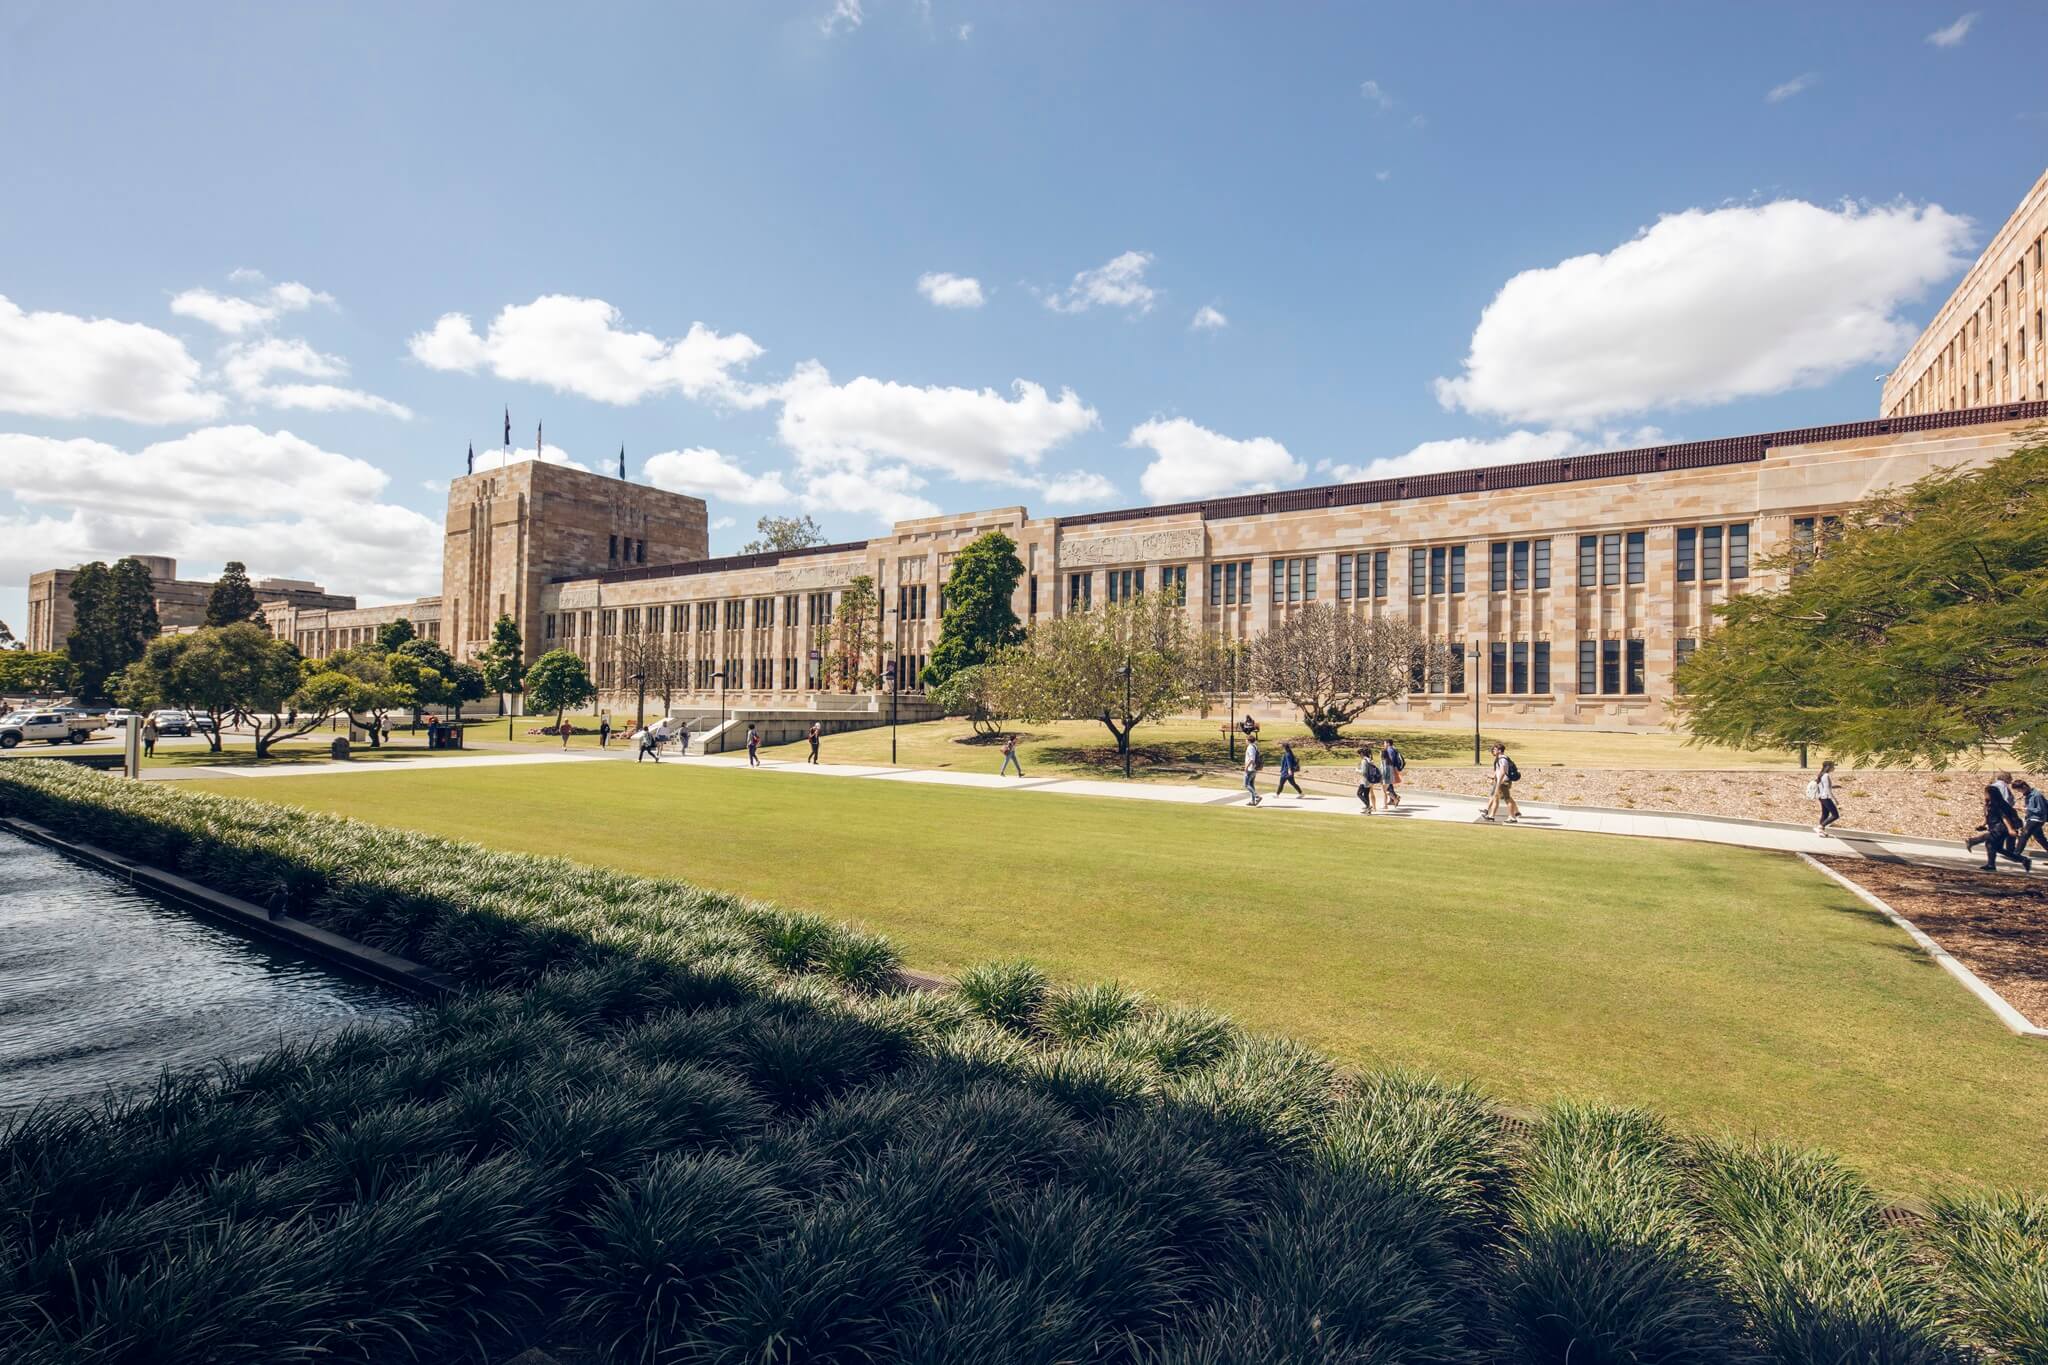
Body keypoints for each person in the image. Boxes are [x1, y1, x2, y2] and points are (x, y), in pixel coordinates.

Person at [1980, 773, 2031, 872]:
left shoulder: (1997, 802)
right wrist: (1983, 823)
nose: (1985, 795)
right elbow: (1988, 815)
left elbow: (2004, 816)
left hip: (2000, 827)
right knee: (1997, 847)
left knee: (1990, 843)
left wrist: (2010, 829)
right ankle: (2023, 860)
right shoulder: (1991, 802)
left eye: (1986, 793)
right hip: (1997, 826)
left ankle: (1991, 865)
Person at [1480, 742, 1520, 823]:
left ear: (1499, 750)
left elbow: (1502, 772)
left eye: (1495, 749)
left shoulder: (1502, 759)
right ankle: (1491, 816)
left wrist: (1498, 783)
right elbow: (1499, 771)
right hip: (1502, 782)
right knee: (1496, 798)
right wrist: (1493, 777)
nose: (1493, 751)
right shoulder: (1501, 759)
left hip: (1503, 782)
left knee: (1507, 799)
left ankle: (1512, 817)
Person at [2015, 779, 2048, 855]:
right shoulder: (2028, 795)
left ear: (2024, 787)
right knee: (2040, 838)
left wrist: (2026, 809)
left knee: (2024, 835)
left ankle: (2016, 854)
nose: (2020, 792)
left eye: (2020, 790)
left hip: (2037, 819)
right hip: (2031, 818)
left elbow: (2041, 810)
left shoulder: (2037, 795)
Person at [1809, 760, 1840, 835]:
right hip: (1826, 797)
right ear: (1829, 767)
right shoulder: (1826, 775)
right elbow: (1827, 789)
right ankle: (1820, 827)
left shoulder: (1822, 774)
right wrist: (1835, 800)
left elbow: (1824, 787)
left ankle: (1820, 830)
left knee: (1825, 814)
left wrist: (1834, 786)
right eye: (1833, 766)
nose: (1834, 768)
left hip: (1822, 797)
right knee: (1835, 815)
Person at [1379, 737, 1404, 809]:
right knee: (1389, 786)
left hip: (1389, 770)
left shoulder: (1390, 750)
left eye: (1384, 743)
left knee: (1387, 787)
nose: (1384, 744)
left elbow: (1390, 761)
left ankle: (1395, 798)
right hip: (1391, 770)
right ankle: (1392, 799)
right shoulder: (1393, 749)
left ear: (1388, 743)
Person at [1356, 746, 1381, 814]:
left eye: (1359, 754)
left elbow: (1363, 772)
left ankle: (1368, 806)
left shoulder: (1364, 761)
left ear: (1362, 754)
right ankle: (1368, 809)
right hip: (1370, 780)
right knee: (1366, 794)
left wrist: (1357, 770)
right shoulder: (1369, 759)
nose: (1359, 756)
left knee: (1359, 794)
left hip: (1365, 780)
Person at [1243, 736, 1262, 806]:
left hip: (1250, 769)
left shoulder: (1250, 747)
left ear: (1248, 740)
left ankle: (1257, 796)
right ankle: (1253, 801)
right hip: (1254, 768)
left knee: (1246, 784)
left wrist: (1246, 767)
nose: (1245, 741)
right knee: (1251, 784)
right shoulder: (1254, 746)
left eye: (1246, 740)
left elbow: (1251, 759)